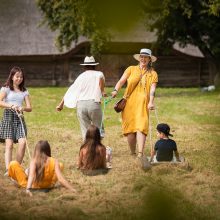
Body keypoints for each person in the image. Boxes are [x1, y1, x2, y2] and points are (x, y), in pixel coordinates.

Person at [111, 48, 158, 158]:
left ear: (150, 59)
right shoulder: (131, 69)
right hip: (129, 103)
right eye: (141, 57)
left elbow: (152, 89)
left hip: (143, 104)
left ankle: (140, 153)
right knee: (130, 129)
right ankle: (133, 152)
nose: (143, 59)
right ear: (139, 58)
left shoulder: (153, 73)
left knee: (141, 126)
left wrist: (151, 102)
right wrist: (115, 90)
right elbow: (121, 81)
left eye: (146, 57)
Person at [56, 56, 106, 140]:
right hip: (94, 104)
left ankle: (87, 150)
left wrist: (61, 105)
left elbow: (70, 90)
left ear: (84, 66)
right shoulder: (99, 74)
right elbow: (101, 83)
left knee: (85, 131)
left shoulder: (81, 76)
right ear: (94, 65)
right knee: (98, 129)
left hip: (81, 105)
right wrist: (103, 92)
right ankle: (97, 149)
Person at [8, 140, 75, 196]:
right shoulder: (54, 161)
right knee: (60, 165)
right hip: (48, 186)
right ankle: (51, 183)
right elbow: (60, 179)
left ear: (37, 150)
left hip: (34, 186)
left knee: (13, 164)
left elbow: (31, 176)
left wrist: (28, 189)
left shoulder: (34, 161)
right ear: (48, 150)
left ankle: (16, 181)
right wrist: (72, 189)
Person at [0, 66, 32, 174]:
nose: (19, 79)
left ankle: (15, 168)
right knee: (9, 145)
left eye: (21, 77)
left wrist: (23, 108)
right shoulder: (6, 89)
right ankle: (9, 169)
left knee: (22, 143)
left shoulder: (24, 91)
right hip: (9, 116)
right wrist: (11, 105)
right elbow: (0, 102)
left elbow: (29, 108)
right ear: (12, 77)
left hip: (19, 117)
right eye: (17, 76)